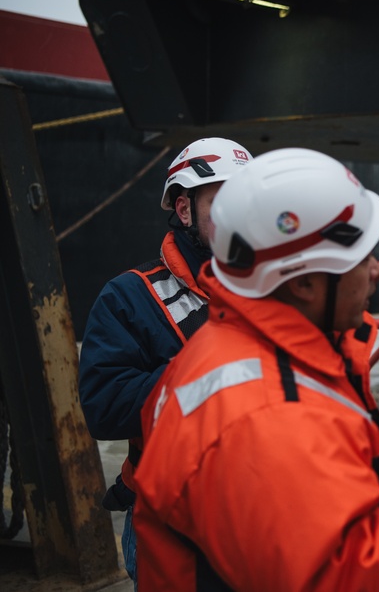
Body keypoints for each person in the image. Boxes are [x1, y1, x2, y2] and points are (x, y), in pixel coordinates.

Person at [132, 149, 379, 591]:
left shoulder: (242, 353)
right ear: (302, 283)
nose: (377, 270)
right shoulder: (265, 416)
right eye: (358, 258)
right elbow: (348, 575)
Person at [77, 137, 253, 583]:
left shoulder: (276, 292)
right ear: (184, 209)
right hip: (173, 522)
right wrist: (208, 375)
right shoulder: (130, 298)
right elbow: (105, 407)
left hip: (260, 507)